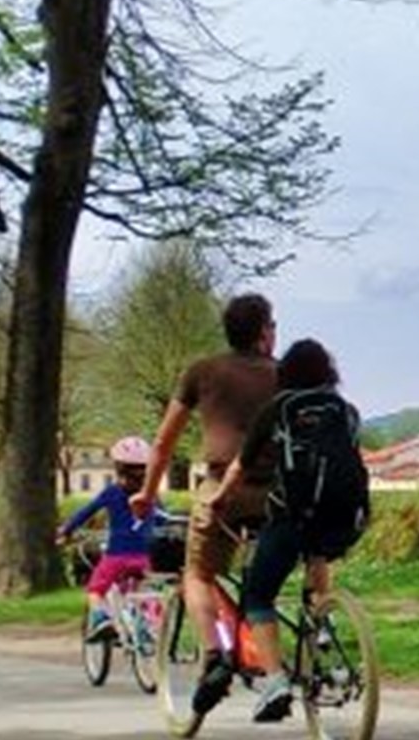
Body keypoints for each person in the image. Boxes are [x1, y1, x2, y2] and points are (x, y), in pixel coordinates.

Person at [127, 295, 279, 711]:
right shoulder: (285, 374)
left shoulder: (202, 372)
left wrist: (147, 492)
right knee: (268, 582)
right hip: (278, 494)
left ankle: (214, 656)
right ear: (264, 332)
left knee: (198, 574)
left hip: (222, 492)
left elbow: (163, 442)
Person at [215, 339, 370, 723]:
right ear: (328, 371)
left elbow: (241, 465)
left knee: (258, 596)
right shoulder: (346, 411)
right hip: (344, 517)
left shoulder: (279, 409)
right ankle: (323, 619)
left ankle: (275, 684)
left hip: (293, 516)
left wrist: (219, 498)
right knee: (317, 553)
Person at [56, 437, 160, 640]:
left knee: (95, 589)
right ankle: (146, 626)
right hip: (144, 557)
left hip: (116, 556)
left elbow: (85, 513)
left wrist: (66, 531)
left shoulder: (111, 493)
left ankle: (101, 620)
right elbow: (160, 520)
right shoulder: (151, 495)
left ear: (118, 467)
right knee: (142, 591)